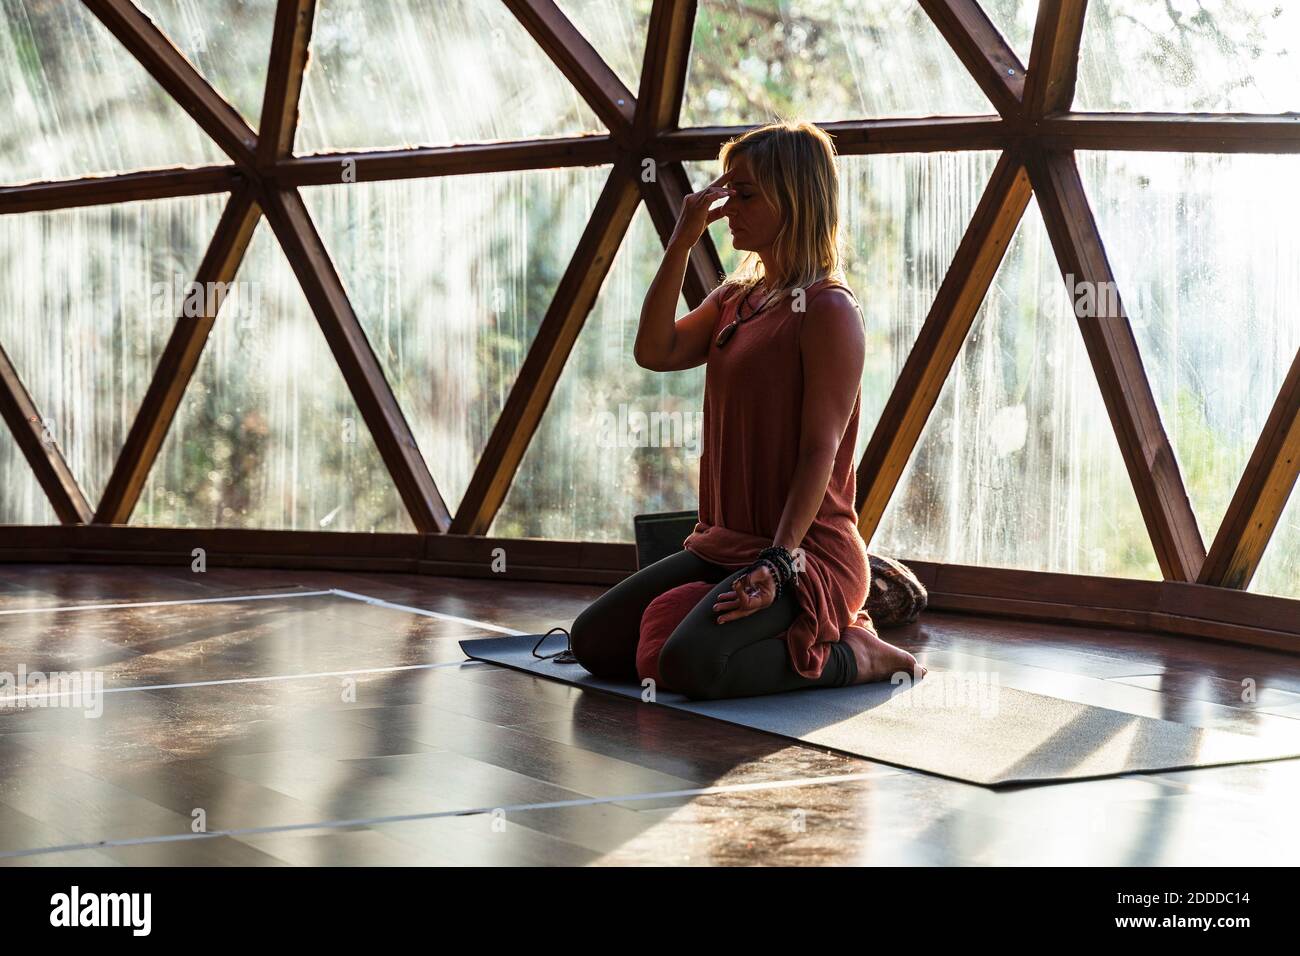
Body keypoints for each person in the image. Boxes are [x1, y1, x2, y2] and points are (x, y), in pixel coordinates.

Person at [568, 120, 926, 701]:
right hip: (721, 542)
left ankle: (851, 653)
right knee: (595, 643)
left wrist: (780, 562)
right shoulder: (738, 297)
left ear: (795, 199)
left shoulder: (828, 309)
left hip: (804, 554)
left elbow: (820, 451)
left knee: (689, 667)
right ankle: (769, 632)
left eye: (747, 193)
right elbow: (653, 351)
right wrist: (682, 241)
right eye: (727, 189)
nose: (728, 205)